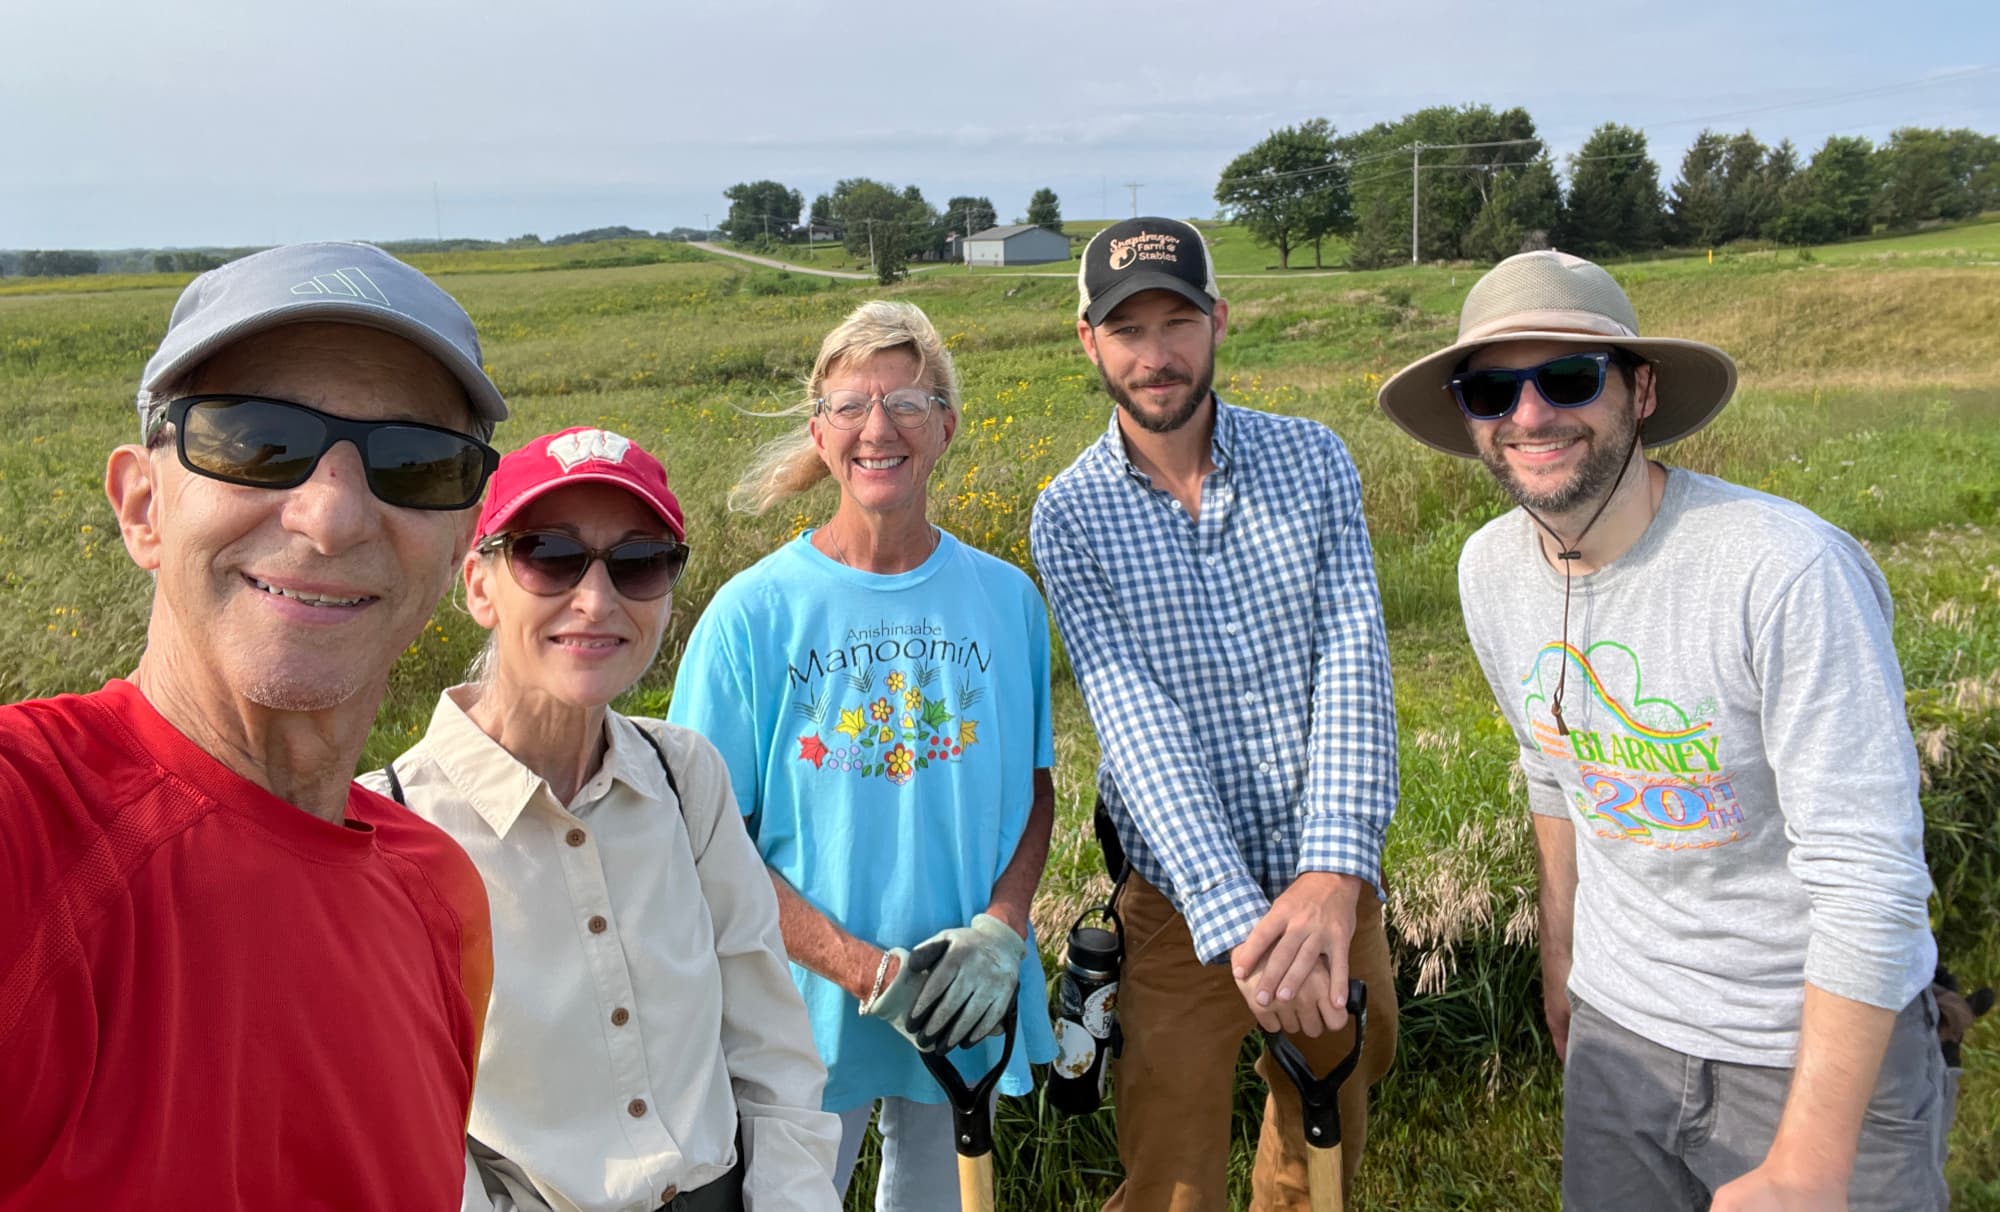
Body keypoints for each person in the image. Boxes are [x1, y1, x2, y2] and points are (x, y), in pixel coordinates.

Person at [1376, 249, 1946, 1211]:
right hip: (1620, 1033)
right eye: (1490, 391)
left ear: (1640, 391)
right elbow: (1551, 769)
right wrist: (1564, 959)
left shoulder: (1783, 570)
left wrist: (1807, 1161)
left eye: (1567, 378)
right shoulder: (1490, 569)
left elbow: (1870, 874)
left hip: (1804, 1043)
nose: (1529, 417)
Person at [0, 242, 502, 1210]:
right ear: (141, 505)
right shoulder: (30, 819)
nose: (333, 516)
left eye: (414, 462)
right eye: (257, 440)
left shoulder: (436, 891)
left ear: (456, 550)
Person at [362, 427, 842, 1212]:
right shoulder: (388, 829)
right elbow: (402, 1137)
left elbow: (770, 1052)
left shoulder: (688, 778)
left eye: (638, 562)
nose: (596, 599)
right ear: (479, 585)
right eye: (548, 555)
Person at [1029, 217, 1400, 1212]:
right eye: (1126, 329)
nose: (1154, 355)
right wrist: (1237, 921)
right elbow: (1132, 723)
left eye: (1176, 321)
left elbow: (1353, 664)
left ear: (1218, 322)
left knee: (1324, 1137)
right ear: (1087, 341)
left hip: (1329, 889)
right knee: (1169, 1170)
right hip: (1180, 906)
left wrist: (1330, 877)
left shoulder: (1311, 462)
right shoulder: (1067, 515)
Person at [669, 300, 1058, 1210]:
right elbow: (702, 839)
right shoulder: (753, 615)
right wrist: (861, 969)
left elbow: (1034, 787)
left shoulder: (1006, 601)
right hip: (797, 1014)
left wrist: (1002, 926)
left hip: (963, 998)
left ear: (947, 427)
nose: (877, 428)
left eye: (909, 403)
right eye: (850, 406)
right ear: (820, 429)